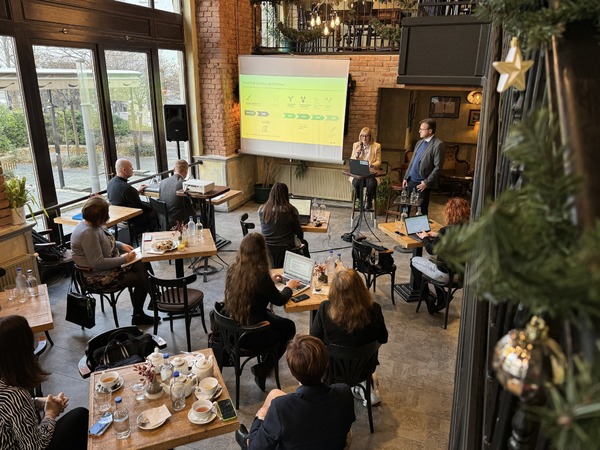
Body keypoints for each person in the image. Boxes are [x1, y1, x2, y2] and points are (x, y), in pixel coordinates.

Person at [240, 335, 355, 450]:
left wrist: (259, 419)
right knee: (274, 393)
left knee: (263, 419)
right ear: (326, 364)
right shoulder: (344, 392)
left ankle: (247, 440)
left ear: (292, 371)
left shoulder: (280, 408)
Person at [223, 233, 300, 391]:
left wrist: (271, 282)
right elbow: (279, 300)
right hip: (251, 334)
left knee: (283, 325)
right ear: (261, 252)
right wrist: (289, 287)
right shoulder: (260, 276)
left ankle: (266, 362)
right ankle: (264, 367)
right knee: (289, 328)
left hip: (235, 327)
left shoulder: (233, 269)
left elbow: (253, 288)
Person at [0, 315, 88, 449]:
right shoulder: (14, 396)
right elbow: (35, 446)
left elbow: (10, 413)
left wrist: (39, 402)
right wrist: (50, 414)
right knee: (80, 416)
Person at [71, 196, 156, 325]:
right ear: (99, 217)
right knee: (141, 277)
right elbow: (97, 263)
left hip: (107, 267)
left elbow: (104, 240)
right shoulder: (88, 233)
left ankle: (152, 301)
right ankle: (153, 301)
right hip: (96, 276)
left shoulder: (93, 225)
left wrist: (121, 245)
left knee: (142, 263)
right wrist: (124, 259)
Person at [311, 268, 388, 406]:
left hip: (333, 371)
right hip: (364, 369)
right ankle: (366, 387)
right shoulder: (375, 309)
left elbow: (314, 340)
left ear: (334, 290)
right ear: (361, 288)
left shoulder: (324, 309)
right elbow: (383, 338)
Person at [411, 197, 471, 314]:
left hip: (445, 274)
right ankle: (442, 295)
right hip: (461, 276)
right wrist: (438, 234)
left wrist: (425, 238)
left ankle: (428, 297)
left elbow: (431, 250)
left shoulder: (446, 231)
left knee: (414, 260)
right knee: (431, 261)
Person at [258, 182, 309, 268]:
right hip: (286, 248)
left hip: (267, 247)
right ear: (286, 195)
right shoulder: (291, 210)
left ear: (271, 194)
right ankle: (306, 268)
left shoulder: (262, 209)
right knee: (304, 242)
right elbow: (298, 232)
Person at [402, 118, 446, 215]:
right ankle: (403, 227)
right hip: (410, 180)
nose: (419, 131)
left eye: (422, 129)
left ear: (430, 131)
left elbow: (438, 167)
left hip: (422, 184)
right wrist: (406, 177)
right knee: (405, 208)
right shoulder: (419, 142)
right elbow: (412, 162)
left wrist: (426, 183)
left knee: (420, 211)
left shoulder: (438, 145)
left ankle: (421, 230)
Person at [107, 158, 156, 233]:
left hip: (119, 217)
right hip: (132, 219)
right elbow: (140, 207)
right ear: (124, 170)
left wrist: (136, 191)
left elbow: (123, 197)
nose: (133, 169)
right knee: (157, 210)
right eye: (130, 167)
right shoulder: (127, 188)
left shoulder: (111, 183)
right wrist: (153, 205)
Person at [349, 127, 382, 211]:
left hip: (370, 173)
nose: (364, 138)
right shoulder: (356, 145)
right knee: (356, 182)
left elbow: (379, 161)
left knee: (371, 184)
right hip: (359, 173)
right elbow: (352, 160)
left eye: (366, 136)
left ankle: (369, 201)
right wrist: (357, 154)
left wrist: (371, 165)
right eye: (362, 136)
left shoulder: (376, 146)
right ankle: (360, 201)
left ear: (370, 137)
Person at [158, 159, 195, 229]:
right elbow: (192, 201)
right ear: (187, 171)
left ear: (174, 169)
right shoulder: (184, 184)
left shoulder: (162, 182)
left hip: (163, 220)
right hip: (179, 221)